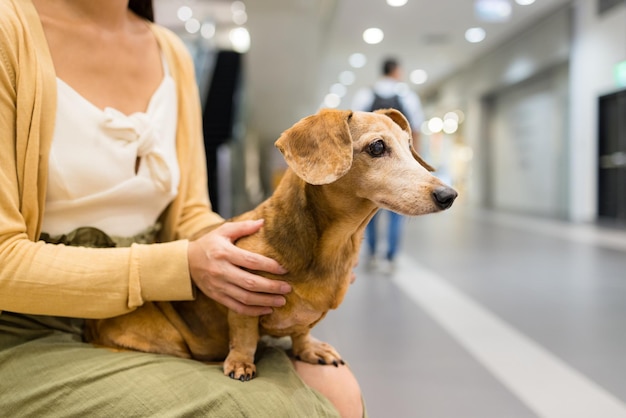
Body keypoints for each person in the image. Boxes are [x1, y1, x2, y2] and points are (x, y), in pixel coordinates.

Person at [0, 1, 364, 416]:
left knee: (337, 386)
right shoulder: (9, 30)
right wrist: (180, 266)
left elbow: (189, 212)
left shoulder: (171, 51)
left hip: (153, 313)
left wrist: (255, 255)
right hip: (26, 330)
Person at [351, 57, 425, 275]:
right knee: (398, 211)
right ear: (396, 71)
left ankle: (372, 254)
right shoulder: (407, 96)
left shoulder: (365, 95)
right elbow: (416, 128)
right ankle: (391, 257)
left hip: (371, 167)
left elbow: (354, 128)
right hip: (401, 166)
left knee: (370, 211)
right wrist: (415, 159)